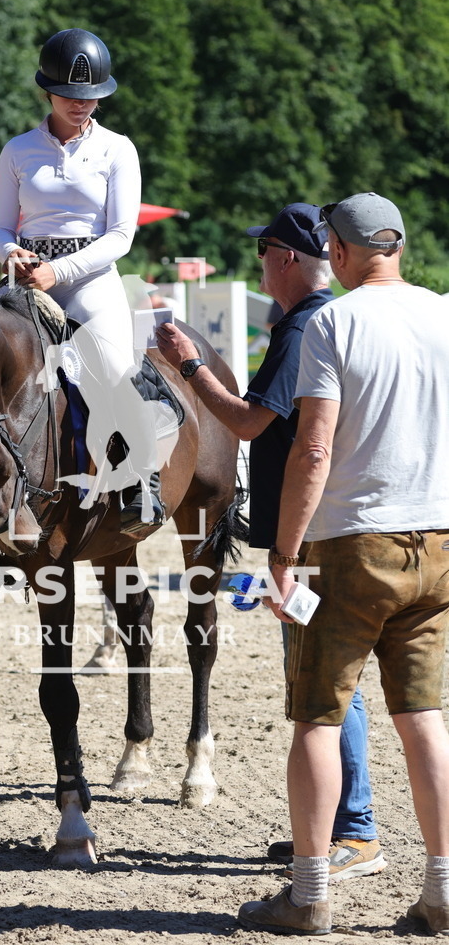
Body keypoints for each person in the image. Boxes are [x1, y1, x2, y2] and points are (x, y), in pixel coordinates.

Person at [237, 192, 449, 935]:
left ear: (336, 249)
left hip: (351, 546)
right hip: (437, 541)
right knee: (422, 716)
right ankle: (441, 890)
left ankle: (309, 893)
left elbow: (313, 446)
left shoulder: (332, 321)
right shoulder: (444, 312)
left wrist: (284, 553)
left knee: (317, 720)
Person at [156, 202, 386, 882]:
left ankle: (355, 831)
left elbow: (250, 424)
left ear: (285, 258)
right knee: (331, 682)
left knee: (325, 682)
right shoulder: (339, 318)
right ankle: (336, 827)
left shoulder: (301, 327)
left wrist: (192, 366)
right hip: (343, 522)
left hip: (313, 534)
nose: (260, 264)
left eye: (262, 254)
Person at [0, 27, 163, 532]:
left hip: (90, 279)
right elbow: (0, 226)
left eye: (92, 97)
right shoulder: (18, 150)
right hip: (24, 277)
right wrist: (12, 252)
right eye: (70, 95)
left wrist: (58, 270)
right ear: (47, 90)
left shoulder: (118, 149)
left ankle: (140, 477)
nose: (82, 105)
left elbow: (121, 235)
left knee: (114, 364)